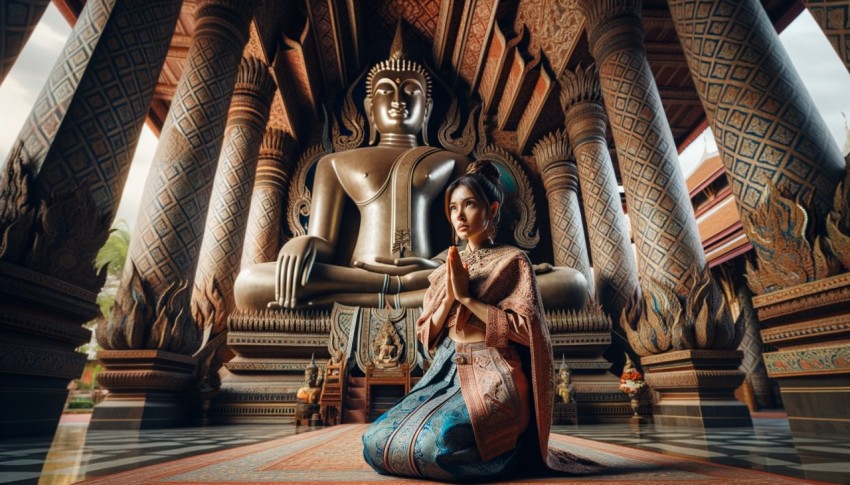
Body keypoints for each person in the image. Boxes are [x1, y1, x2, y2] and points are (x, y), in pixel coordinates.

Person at [362, 161, 598, 481]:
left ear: (492, 208)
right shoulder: (442, 267)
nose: (459, 215)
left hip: (495, 372)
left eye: (469, 205)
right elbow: (425, 335)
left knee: (440, 443)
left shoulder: (512, 261)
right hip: (447, 372)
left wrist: (468, 299)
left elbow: (528, 331)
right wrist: (449, 295)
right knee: (375, 441)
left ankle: (504, 451)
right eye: (454, 207)